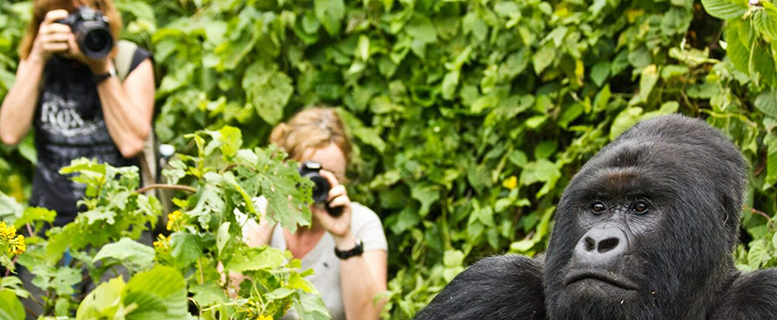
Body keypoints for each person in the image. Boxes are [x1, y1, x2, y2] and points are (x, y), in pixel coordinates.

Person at [0, 0, 155, 227]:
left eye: (85, 16)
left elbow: (131, 142)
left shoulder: (130, 60)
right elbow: (9, 134)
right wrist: (36, 57)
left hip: (119, 224)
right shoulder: (40, 62)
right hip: (48, 222)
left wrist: (101, 68)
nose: (78, 29)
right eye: (68, 20)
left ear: (104, 17)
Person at [242, 107, 388, 320]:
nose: (314, 185)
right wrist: (274, 209)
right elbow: (227, 300)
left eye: (330, 176)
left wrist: (344, 238)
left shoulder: (362, 224)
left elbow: (368, 318)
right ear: (283, 166)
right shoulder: (252, 213)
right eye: (308, 174)